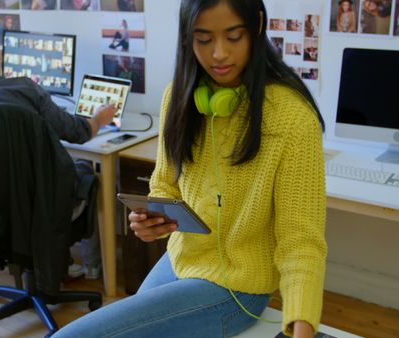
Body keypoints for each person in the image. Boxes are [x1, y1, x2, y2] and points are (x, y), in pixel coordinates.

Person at [53, 0, 327, 337]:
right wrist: (153, 218)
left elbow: (302, 242)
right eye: (204, 39)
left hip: (236, 289)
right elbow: (165, 184)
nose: (219, 54)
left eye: (233, 36)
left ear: (256, 28)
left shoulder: (292, 117)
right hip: (181, 259)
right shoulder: (179, 98)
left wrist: (302, 329)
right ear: (188, 39)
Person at [0, 33, 117, 277]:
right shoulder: (25, 89)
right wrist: (98, 120)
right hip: (34, 205)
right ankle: (92, 268)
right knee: (87, 173)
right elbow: (76, 132)